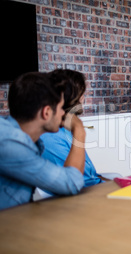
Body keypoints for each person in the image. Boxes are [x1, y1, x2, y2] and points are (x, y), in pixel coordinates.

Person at [0, 72, 86, 210]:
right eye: (60, 108)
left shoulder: (22, 138)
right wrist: (79, 131)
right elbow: (72, 182)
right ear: (46, 113)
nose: (64, 113)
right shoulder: (10, 145)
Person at [41, 69, 103, 188]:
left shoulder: (67, 131)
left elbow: (92, 176)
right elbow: (76, 182)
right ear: (72, 97)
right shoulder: (51, 137)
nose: (83, 98)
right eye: (82, 94)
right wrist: (79, 130)